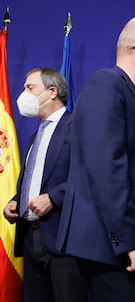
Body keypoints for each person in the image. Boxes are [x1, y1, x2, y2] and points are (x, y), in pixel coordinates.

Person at [55, 15, 135, 301]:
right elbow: (107, 169)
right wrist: (132, 241)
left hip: (118, 252)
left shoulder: (131, 94)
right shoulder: (107, 83)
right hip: (107, 252)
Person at [2, 68, 87, 302]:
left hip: (62, 240)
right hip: (30, 238)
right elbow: (35, 178)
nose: (24, 94)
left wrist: (53, 197)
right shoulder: (35, 135)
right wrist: (16, 201)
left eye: (30, 88)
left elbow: (88, 176)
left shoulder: (77, 127)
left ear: (52, 92)